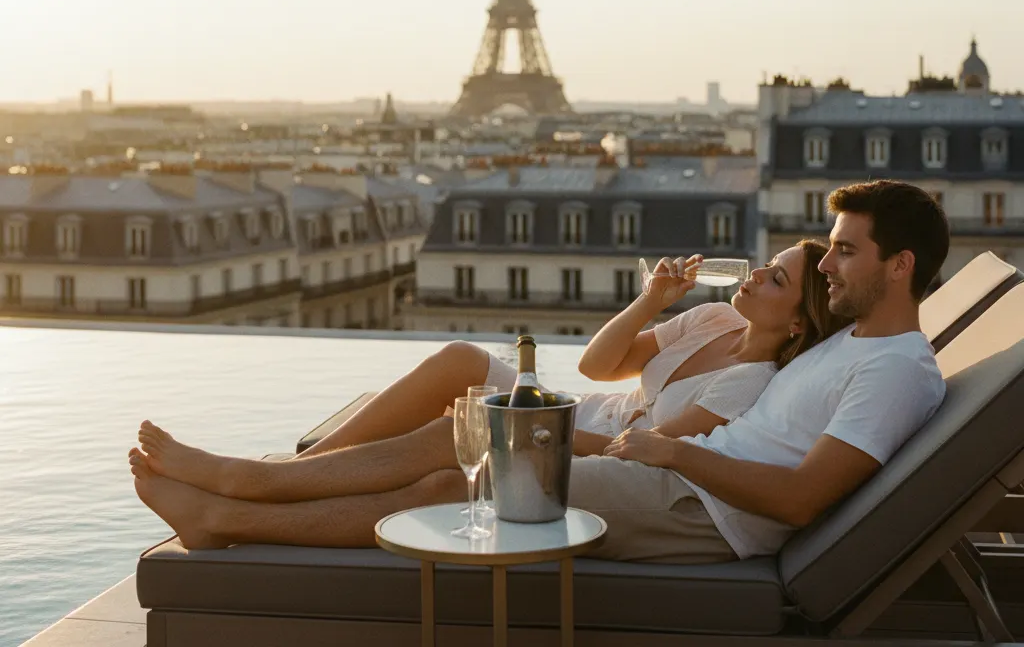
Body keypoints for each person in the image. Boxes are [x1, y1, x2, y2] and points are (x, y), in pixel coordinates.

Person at [130, 179, 949, 566]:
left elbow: (803, 497)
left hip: (700, 506)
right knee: (460, 451)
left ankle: (237, 508)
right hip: (684, 480)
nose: (831, 262)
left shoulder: (896, 371)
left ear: (900, 264)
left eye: (846, 248)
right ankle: (245, 491)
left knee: (463, 472)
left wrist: (673, 452)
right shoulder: (849, 345)